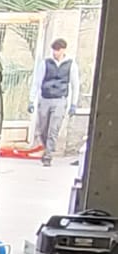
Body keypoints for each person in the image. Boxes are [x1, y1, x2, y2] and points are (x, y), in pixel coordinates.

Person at [33, 36, 80, 166]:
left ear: (63, 50)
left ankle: (48, 155)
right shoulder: (46, 63)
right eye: (54, 50)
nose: (55, 52)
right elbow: (37, 82)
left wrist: (73, 104)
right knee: (43, 129)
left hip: (60, 99)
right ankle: (46, 148)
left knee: (53, 129)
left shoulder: (70, 65)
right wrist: (32, 100)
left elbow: (75, 85)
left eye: (58, 50)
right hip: (45, 98)